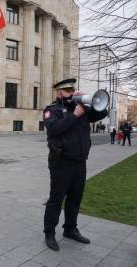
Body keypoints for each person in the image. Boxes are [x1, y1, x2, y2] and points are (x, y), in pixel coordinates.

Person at [43, 78, 108, 251]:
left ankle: (70, 229)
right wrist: (75, 115)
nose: (72, 93)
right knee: (57, 199)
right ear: (59, 93)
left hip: (80, 162)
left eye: (73, 90)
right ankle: (49, 233)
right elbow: (54, 128)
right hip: (61, 162)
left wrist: (90, 102)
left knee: (75, 199)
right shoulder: (52, 110)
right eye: (67, 91)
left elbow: (102, 113)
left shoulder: (81, 108)